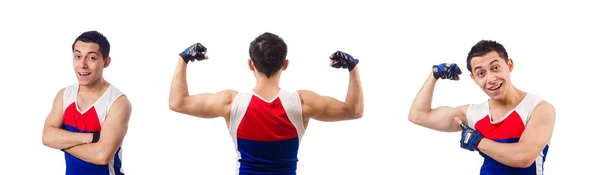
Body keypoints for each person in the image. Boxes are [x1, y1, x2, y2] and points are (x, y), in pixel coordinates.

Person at [168, 32, 364, 174]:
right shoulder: (303, 103)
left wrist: (183, 59)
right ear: (285, 64)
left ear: (250, 64)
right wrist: (352, 67)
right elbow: (354, 111)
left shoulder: (232, 103)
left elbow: (178, 103)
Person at [408, 40, 555, 174]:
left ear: (509, 65)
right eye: (481, 73)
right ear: (474, 78)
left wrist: (478, 141)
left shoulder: (538, 108)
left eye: (495, 67)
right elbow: (418, 116)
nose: (490, 79)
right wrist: (434, 76)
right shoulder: (474, 113)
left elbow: (523, 157)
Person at [42, 31, 131, 175]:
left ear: (106, 62)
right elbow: (47, 137)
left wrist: (62, 143)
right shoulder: (64, 95)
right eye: (78, 56)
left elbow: (102, 155)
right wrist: (90, 137)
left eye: (91, 58)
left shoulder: (118, 102)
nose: (82, 65)